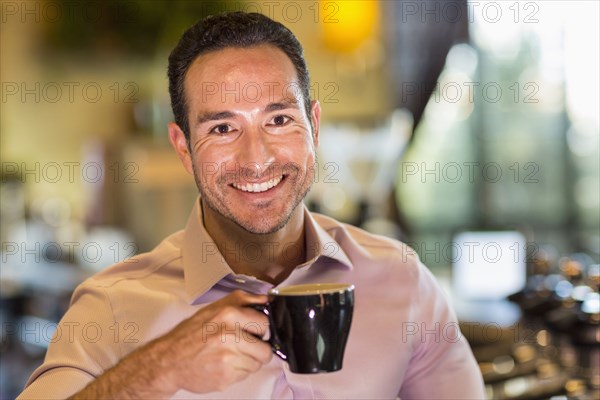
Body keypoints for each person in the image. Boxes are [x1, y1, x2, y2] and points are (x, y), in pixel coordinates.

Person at [19, 12, 485, 399]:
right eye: (222, 129)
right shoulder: (112, 306)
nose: (257, 159)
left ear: (314, 127)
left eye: (279, 119)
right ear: (183, 148)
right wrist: (156, 371)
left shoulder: (402, 280)